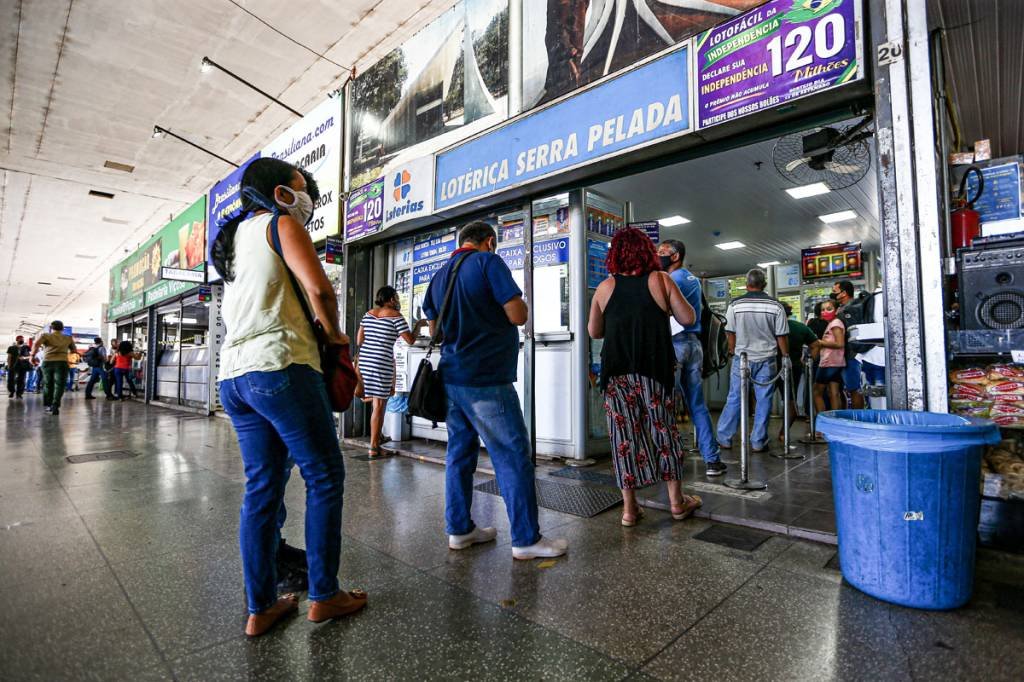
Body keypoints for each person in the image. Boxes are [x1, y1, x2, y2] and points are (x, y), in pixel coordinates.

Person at [211, 156, 365, 637]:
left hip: (234, 377)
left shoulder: (231, 241)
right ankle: (324, 595)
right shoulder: (280, 224)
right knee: (324, 476)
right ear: (279, 192)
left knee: (262, 489)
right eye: (301, 189)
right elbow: (320, 289)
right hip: (279, 364)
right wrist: (338, 339)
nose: (306, 200)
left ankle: (261, 608)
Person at [422, 221, 567, 560]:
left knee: (459, 455)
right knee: (512, 455)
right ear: (489, 242)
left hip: (452, 378)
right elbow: (518, 315)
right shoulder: (489, 262)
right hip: (486, 379)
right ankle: (526, 539)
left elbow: (434, 330)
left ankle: (459, 530)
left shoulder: (440, 274)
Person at [592, 229, 702, 526]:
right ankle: (677, 503)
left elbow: (595, 331)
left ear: (615, 254)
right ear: (646, 252)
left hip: (615, 373)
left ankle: (630, 510)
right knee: (664, 430)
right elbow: (688, 318)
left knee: (623, 438)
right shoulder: (660, 280)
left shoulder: (605, 287)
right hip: (653, 369)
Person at [657, 239, 726, 477]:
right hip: (694, 344)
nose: (659, 255)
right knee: (697, 405)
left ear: (675, 256)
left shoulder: (670, 280)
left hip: (675, 345)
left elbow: (661, 311)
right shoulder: (692, 279)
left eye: (663, 252)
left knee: (664, 404)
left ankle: (666, 461)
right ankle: (712, 460)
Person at [716, 269, 789, 453]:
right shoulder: (776, 306)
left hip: (742, 359)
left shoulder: (735, 305)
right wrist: (785, 356)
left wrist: (732, 350)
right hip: (767, 359)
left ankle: (724, 438)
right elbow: (781, 335)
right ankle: (758, 441)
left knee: (735, 398)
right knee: (764, 400)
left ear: (747, 284)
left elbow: (729, 331)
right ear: (764, 284)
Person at [356, 286, 424, 457]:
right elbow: (410, 340)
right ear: (391, 299)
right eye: (396, 297)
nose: (398, 300)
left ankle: (376, 439)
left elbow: (359, 339)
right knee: (379, 405)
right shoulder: (396, 317)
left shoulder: (368, 314)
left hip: (365, 360)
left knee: (375, 403)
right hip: (381, 362)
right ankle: (374, 447)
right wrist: (419, 325)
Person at [776, 303, 819, 441]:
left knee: (762, 400)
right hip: (793, 367)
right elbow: (815, 345)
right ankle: (783, 433)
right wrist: (808, 360)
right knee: (791, 402)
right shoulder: (800, 327)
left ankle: (759, 434)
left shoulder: (769, 327)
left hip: (770, 366)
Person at [813, 300, 846, 437]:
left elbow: (839, 343)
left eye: (829, 308)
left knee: (817, 392)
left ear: (837, 310)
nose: (825, 312)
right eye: (823, 309)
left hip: (829, 363)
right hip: (836, 362)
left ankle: (823, 427)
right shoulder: (833, 324)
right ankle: (835, 427)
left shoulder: (835, 324)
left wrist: (820, 342)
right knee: (834, 393)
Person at [834, 280, 865, 409]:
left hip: (851, 355)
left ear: (844, 293)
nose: (833, 295)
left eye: (835, 292)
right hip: (853, 354)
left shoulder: (849, 309)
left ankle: (858, 419)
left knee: (854, 389)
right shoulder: (857, 305)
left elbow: (850, 333)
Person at [34, 321, 76, 415]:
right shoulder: (68, 338)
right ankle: (55, 406)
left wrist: (32, 356)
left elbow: (36, 345)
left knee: (48, 384)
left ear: (51, 328)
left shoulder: (45, 336)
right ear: (62, 328)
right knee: (60, 385)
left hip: (48, 362)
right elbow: (74, 350)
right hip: (62, 362)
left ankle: (48, 405)